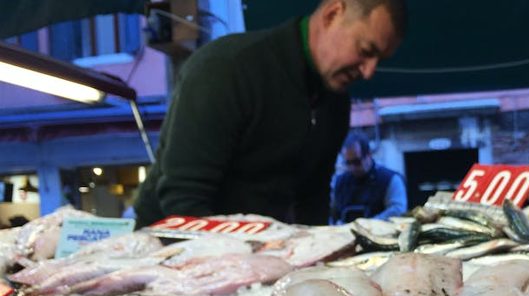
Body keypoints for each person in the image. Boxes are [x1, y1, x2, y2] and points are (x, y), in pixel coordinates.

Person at [133, 0, 406, 229]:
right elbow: (183, 197)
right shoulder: (226, 68)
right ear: (332, 14)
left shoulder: (335, 102)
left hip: (255, 253)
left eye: (378, 60)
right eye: (365, 51)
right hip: (170, 255)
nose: (369, 72)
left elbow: (313, 196)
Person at [330, 131, 407, 223]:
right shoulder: (340, 181)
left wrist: (368, 224)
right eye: (348, 163)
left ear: (369, 155)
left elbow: (398, 210)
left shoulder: (390, 179)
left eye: (357, 162)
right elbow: (333, 213)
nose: (352, 168)